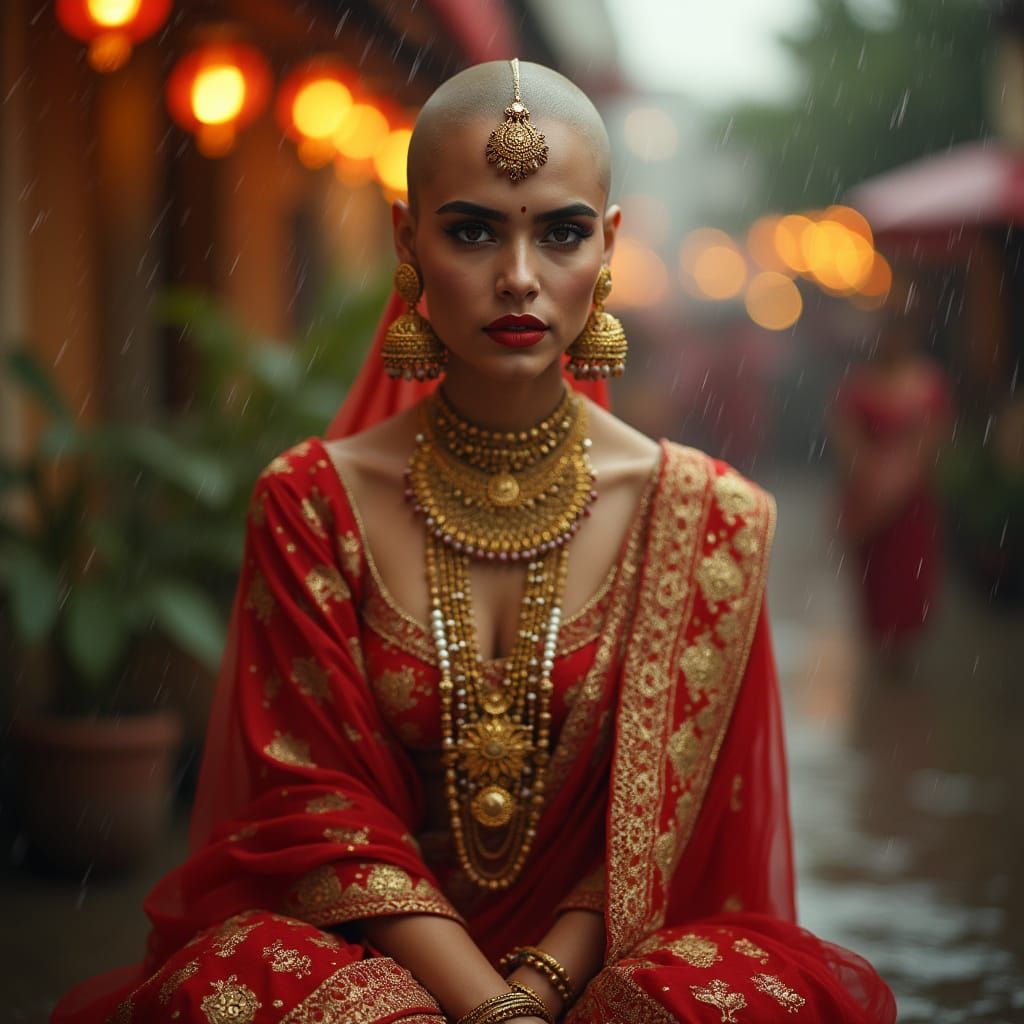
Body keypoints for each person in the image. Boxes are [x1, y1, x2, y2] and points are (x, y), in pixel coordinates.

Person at [54, 60, 895, 1024]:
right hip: (367, 963)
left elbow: (662, 828)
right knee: (235, 988)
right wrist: (482, 1007)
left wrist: (530, 997)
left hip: (601, 970)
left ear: (610, 244)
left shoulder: (709, 519)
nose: (520, 277)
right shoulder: (312, 502)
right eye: (472, 231)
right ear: (405, 238)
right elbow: (319, 808)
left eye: (562, 233)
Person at [831, 276, 950, 652]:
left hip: (909, 502)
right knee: (877, 579)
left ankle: (901, 647)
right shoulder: (860, 384)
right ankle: (883, 644)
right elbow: (846, 439)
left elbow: (933, 440)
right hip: (870, 498)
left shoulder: (927, 383)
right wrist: (873, 478)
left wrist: (899, 478)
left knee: (906, 577)